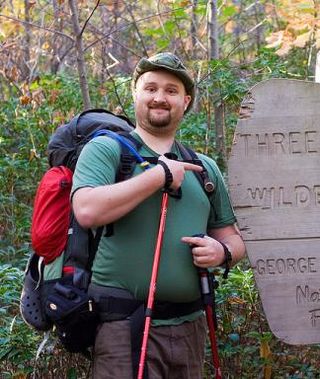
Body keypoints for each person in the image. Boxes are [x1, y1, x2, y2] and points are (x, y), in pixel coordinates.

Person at [71, 52, 246, 378]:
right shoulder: (108, 150)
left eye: (171, 90)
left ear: (186, 100)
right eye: (150, 88)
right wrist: (158, 176)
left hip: (189, 329)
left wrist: (221, 252)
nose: (160, 98)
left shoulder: (204, 168)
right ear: (135, 93)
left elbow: (233, 239)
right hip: (122, 328)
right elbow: (86, 210)